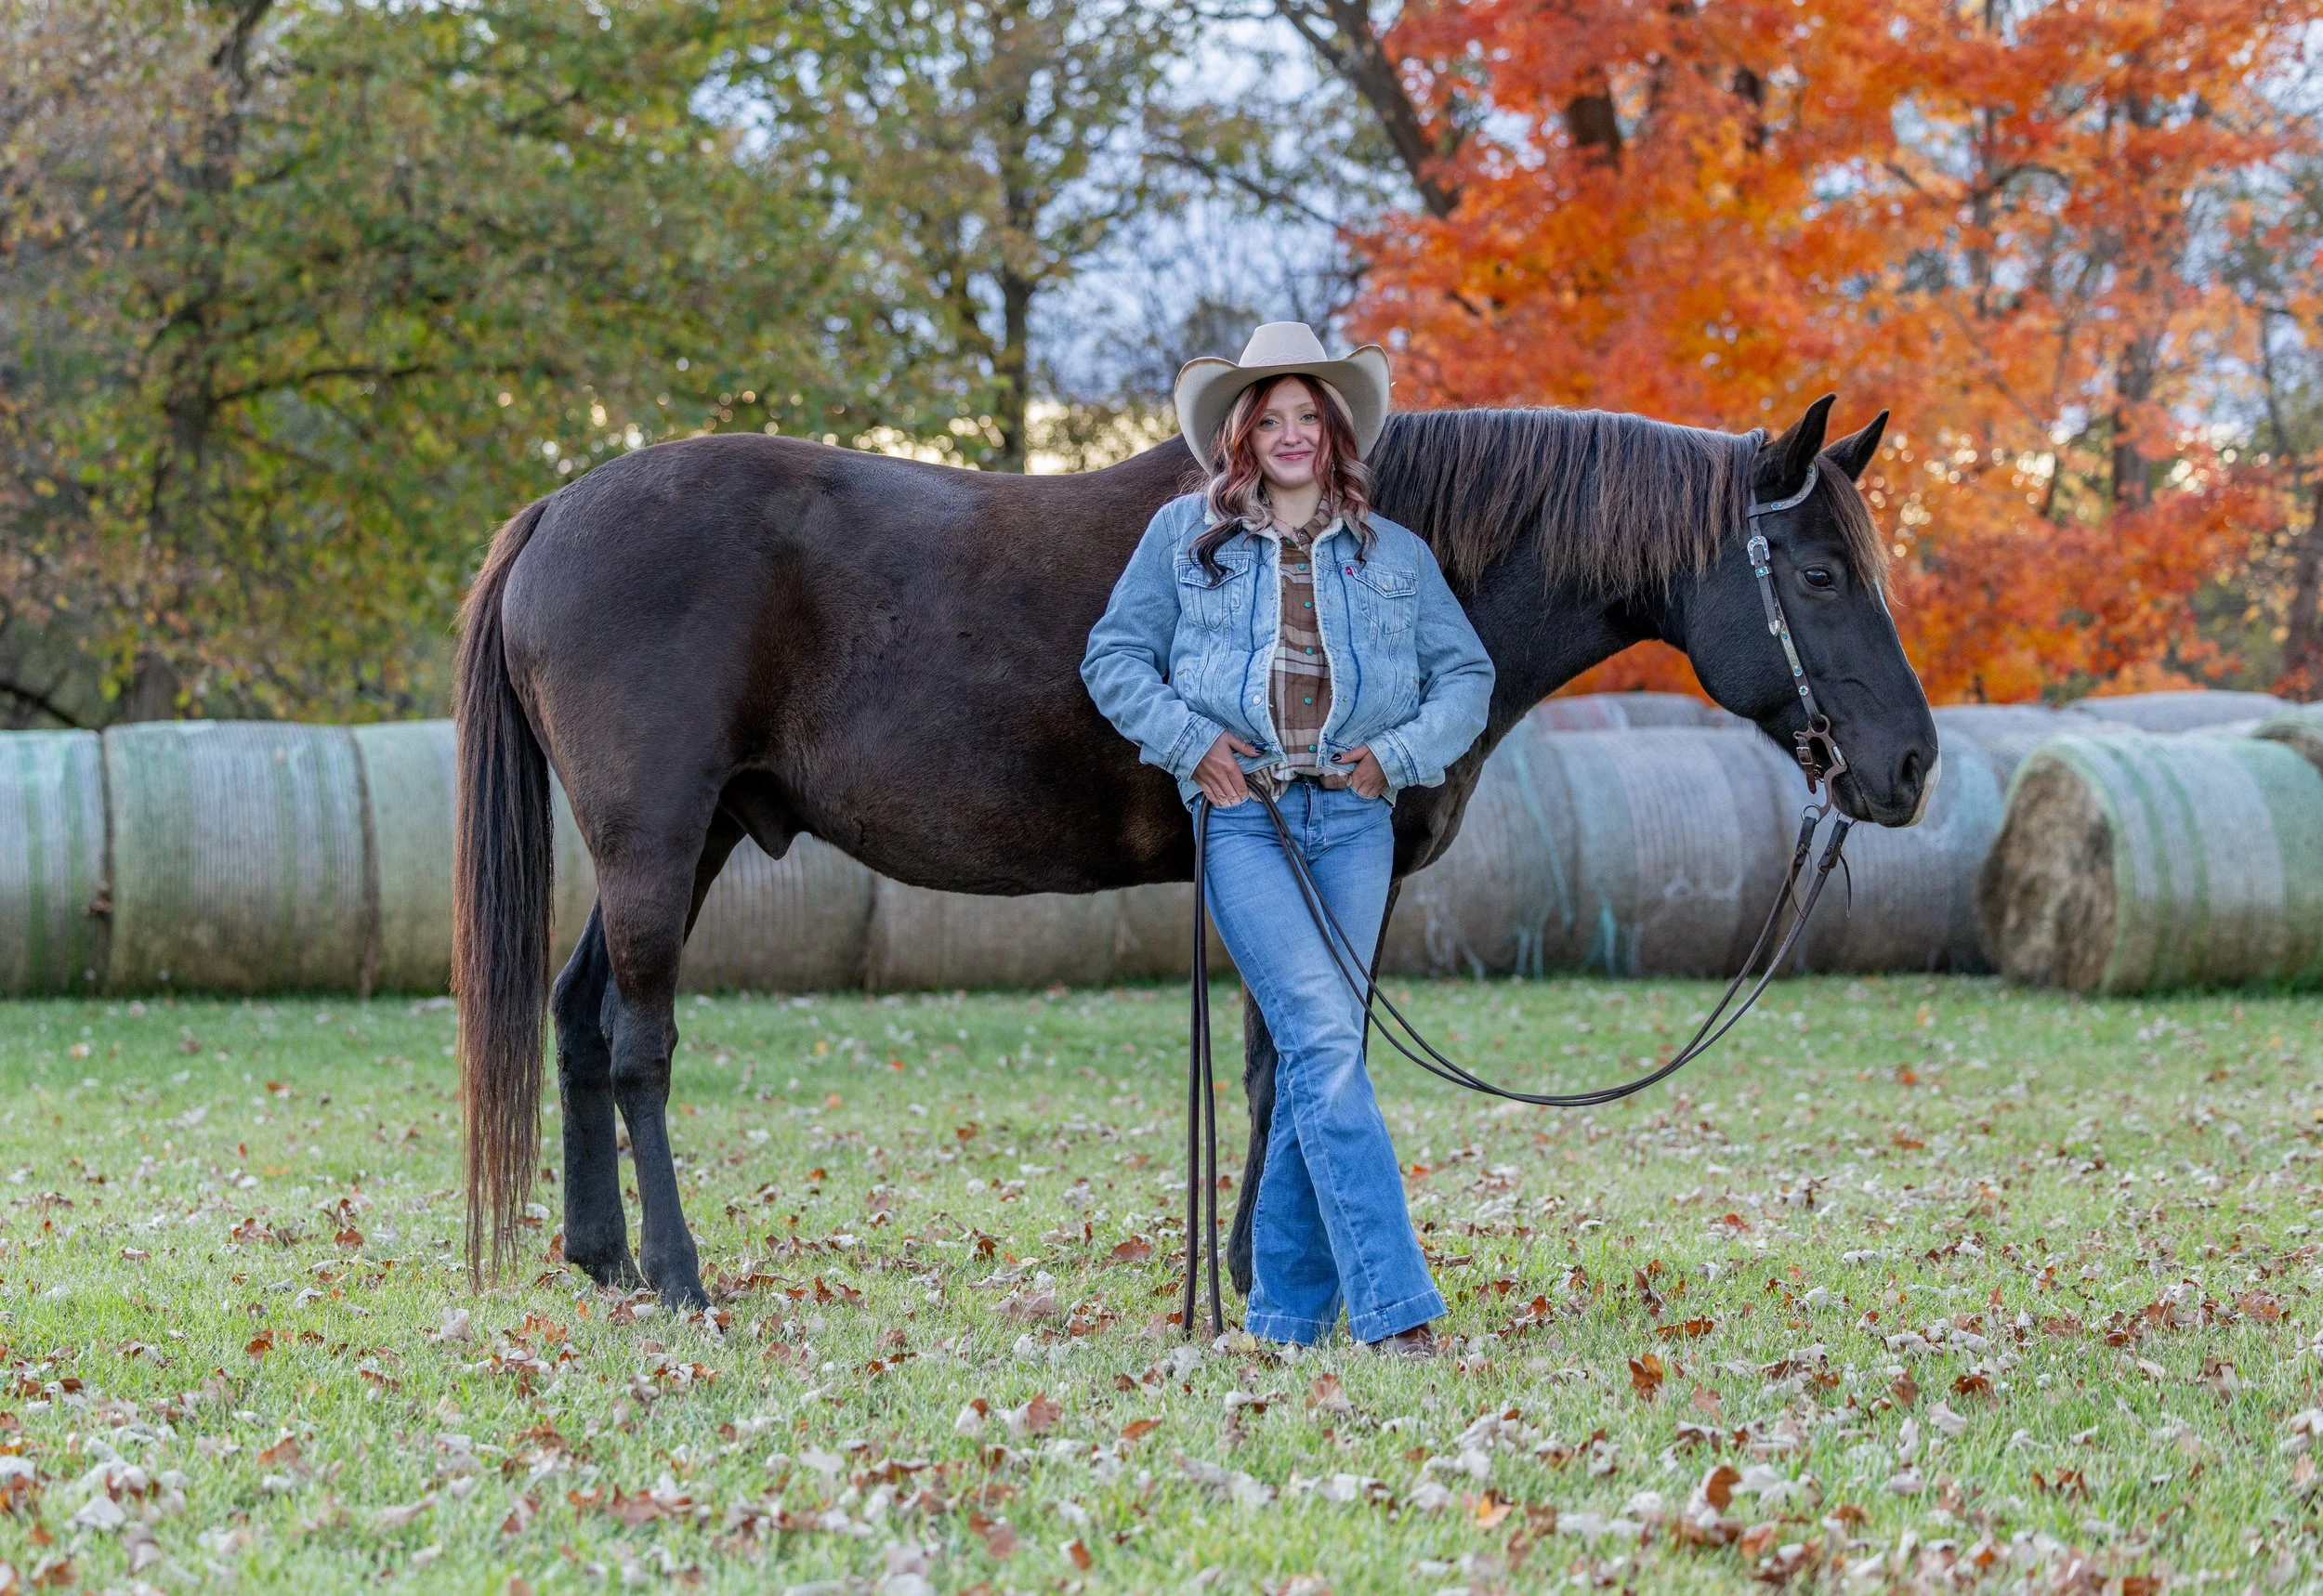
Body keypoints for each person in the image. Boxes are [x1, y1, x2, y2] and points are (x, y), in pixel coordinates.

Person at [1081, 322, 1494, 1354]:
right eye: (1270, 418)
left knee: (1323, 1054)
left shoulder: (1394, 555)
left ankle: (1286, 1316)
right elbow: (1114, 655)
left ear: (1335, 429)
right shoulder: (1183, 538)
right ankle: (1397, 1312)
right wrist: (1188, 741)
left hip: (1352, 821)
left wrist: (1395, 758)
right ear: (1241, 436)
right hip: (1244, 819)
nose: (1292, 433)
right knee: (1321, 1040)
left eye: (1308, 415)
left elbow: (1468, 678)